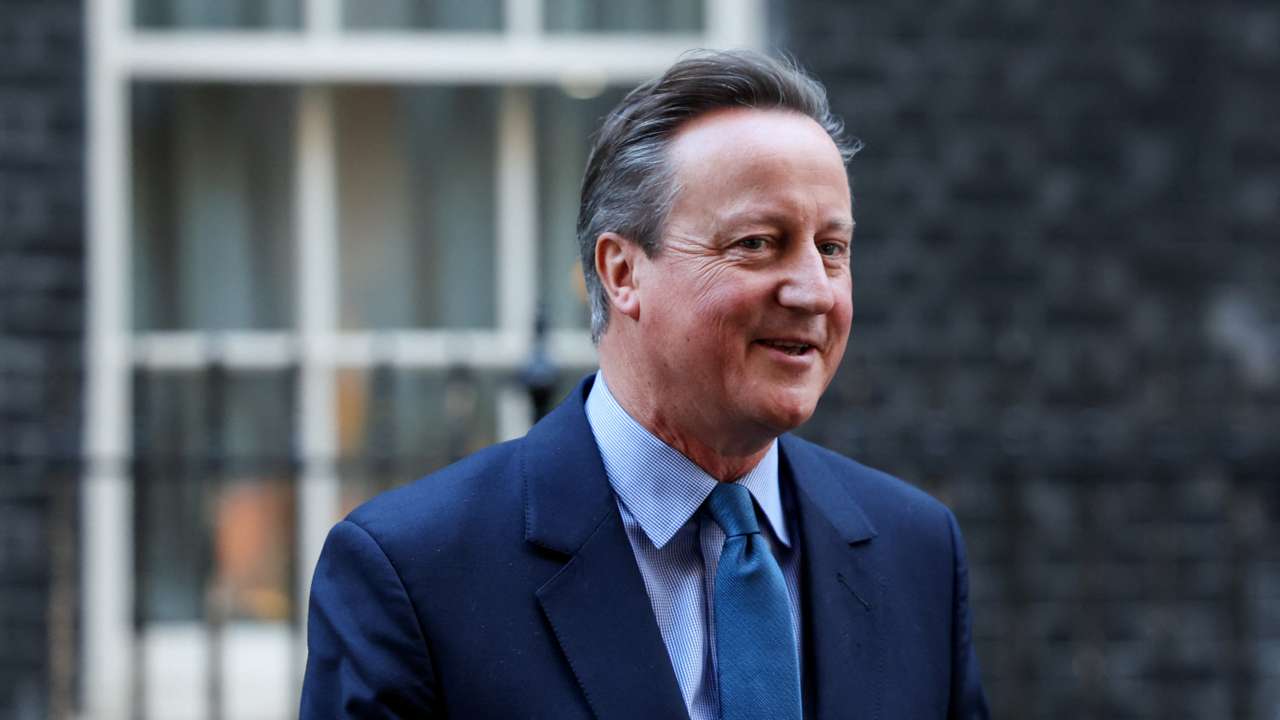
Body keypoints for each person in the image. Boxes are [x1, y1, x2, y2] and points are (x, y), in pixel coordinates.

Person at [300, 49, 989, 719]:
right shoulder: (412, 573)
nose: (814, 291)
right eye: (757, 243)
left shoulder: (918, 552)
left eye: (831, 249)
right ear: (623, 273)